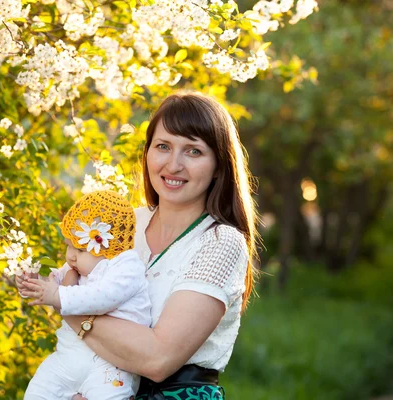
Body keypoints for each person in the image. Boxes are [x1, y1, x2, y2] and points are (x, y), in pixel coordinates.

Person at [25, 92, 258, 399]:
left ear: (218, 165)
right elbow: (71, 277)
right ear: (147, 152)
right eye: (163, 146)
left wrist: (64, 303)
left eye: (193, 151)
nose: (173, 165)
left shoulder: (220, 242)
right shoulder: (122, 226)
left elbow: (158, 358)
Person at [19, 190, 152, 400]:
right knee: (37, 392)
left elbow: (102, 298)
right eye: (68, 246)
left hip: (111, 364)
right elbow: (54, 282)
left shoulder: (127, 267)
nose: (69, 256)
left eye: (79, 250)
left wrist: (57, 296)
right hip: (68, 356)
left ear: (107, 247)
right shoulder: (77, 267)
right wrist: (35, 281)